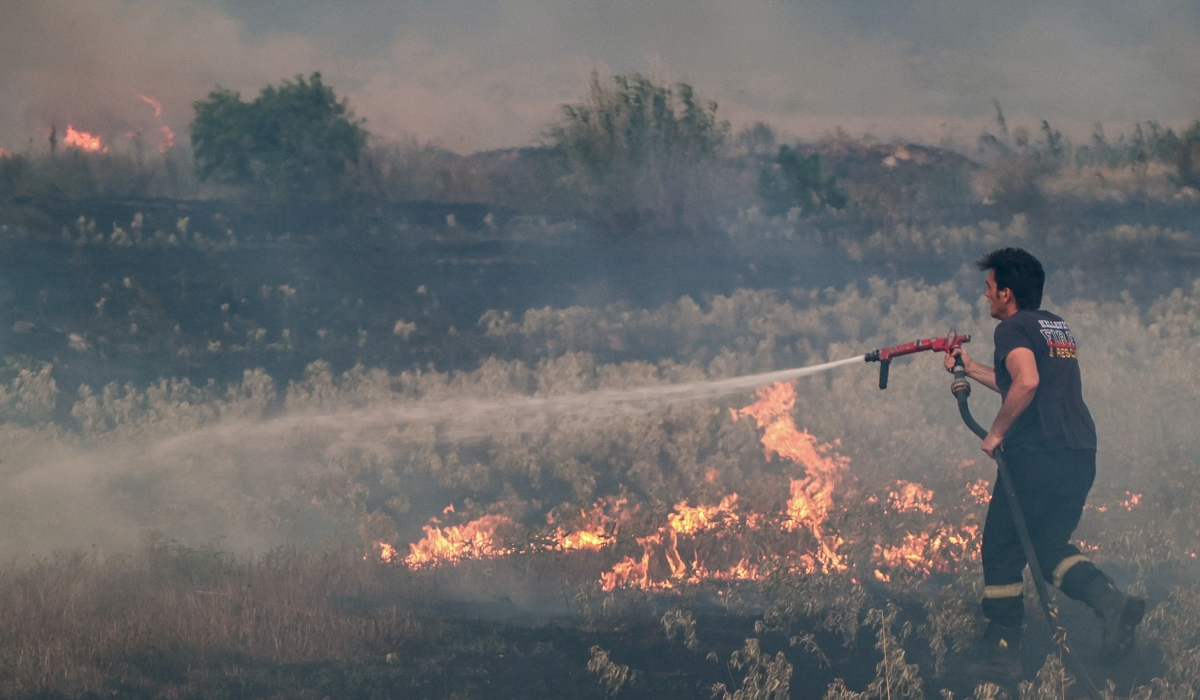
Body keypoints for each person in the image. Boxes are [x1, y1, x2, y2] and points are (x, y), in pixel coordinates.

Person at [945, 248, 1144, 677]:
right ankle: (1113, 603)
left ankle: (1001, 650)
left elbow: (1028, 382)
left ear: (1007, 292)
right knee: (1048, 547)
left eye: (990, 288)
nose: (986, 296)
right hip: (1078, 453)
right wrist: (970, 367)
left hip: (1038, 455)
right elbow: (1021, 381)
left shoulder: (1012, 328)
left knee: (1000, 550)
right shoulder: (1053, 325)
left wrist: (996, 433)